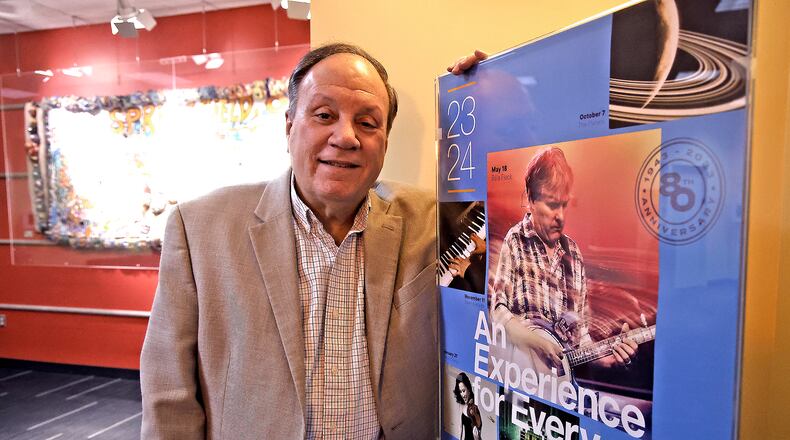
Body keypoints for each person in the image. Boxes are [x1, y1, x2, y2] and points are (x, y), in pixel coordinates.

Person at [140, 44, 487, 439]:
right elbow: (169, 393)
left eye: (368, 123)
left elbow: (508, 215)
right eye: (324, 115)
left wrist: (493, 96)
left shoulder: (431, 220)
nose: (346, 137)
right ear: (289, 126)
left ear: (386, 143)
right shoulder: (200, 228)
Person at [489, 147, 636, 369]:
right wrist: (534, 341)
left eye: (564, 204)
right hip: (520, 375)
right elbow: (498, 312)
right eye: (551, 204)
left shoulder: (574, 254)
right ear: (530, 199)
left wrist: (609, 359)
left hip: (560, 387)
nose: (561, 216)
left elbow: (581, 339)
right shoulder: (515, 240)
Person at [454, 372, 482, 440]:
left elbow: (479, 427)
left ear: (469, 390)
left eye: (463, 391)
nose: (462, 395)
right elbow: (460, 427)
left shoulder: (474, 408)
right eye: (460, 392)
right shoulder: (461, 406)